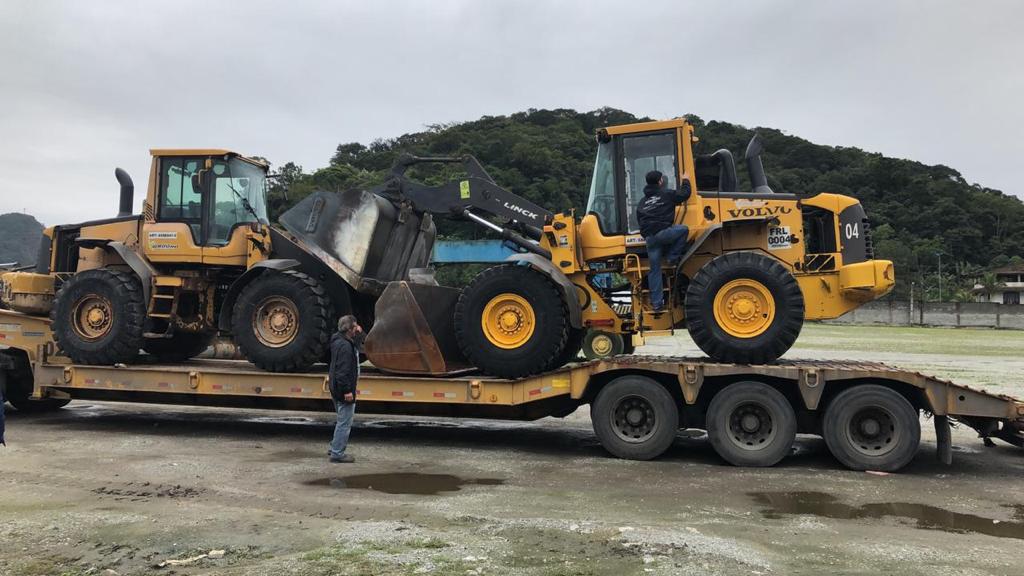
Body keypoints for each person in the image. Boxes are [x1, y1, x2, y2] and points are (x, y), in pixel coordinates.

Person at [636, 170, 691, 312]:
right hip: (663, 233)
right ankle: (672, 258)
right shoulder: (666, 194)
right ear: (660, 181)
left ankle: (657, 303)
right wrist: (685, 180)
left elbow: (640, 221)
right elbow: (685, 195)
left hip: (650, 239)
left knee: (654, 270)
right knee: (683, 229)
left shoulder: (642, 202)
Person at [328, 314, 363, 463]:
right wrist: (347, 391)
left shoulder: (338, 340)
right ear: (349, 329)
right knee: (344, 423)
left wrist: (359, 334)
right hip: (343, 389)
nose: (357, 328)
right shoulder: (345, 347)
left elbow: (357, 344)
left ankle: (334, 447)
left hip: (334, 387)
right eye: (355, 326)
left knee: (341, 420)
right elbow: (342, 373)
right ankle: (337, 453)